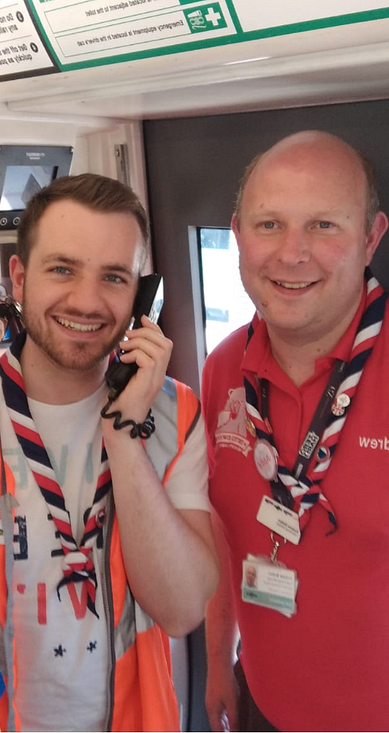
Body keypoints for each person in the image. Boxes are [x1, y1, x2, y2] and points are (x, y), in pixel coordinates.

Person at [0, 173, 218, 731]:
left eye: (114, 277)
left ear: (140, 295)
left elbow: (182, 609)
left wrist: (124, 435)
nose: (87, 301)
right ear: (19, 278)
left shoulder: (175, 413)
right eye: (62, 269)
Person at [202, 131, 389, 732]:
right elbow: (222, 534)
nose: (292, 253)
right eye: (269, 225)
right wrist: (217, 663)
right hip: (264, 708)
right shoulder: (221, 369)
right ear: (237, 236)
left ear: (371, 238)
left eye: (324, 226)